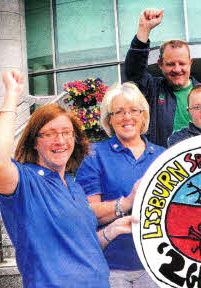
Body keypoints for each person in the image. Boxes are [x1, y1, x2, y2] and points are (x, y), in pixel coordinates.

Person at [0, 70, 135, 287]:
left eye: (67, 133)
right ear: (34, 141)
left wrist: (112, 230)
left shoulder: (73, 186)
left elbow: (82, 247)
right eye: (50, 133)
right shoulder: (25, 182)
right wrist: (11, 98)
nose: (60, 140)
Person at [76, 81, 164, 288]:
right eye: (119, 112)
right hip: (111, 268)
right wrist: (128, 202)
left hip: (156, 266)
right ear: (109, 119)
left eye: (134, 110)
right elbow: (87, 213)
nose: (127, 117)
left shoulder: (161, 156)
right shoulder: (94, 155)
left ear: (143, 115)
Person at [125, 8, 198, 147]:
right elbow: (134, 72)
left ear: (190, 63)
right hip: (162, 166)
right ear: (160, 64)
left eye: (182, 63)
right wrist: (143, 29)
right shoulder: (152, 89)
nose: (177, 69)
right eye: (170, 64)